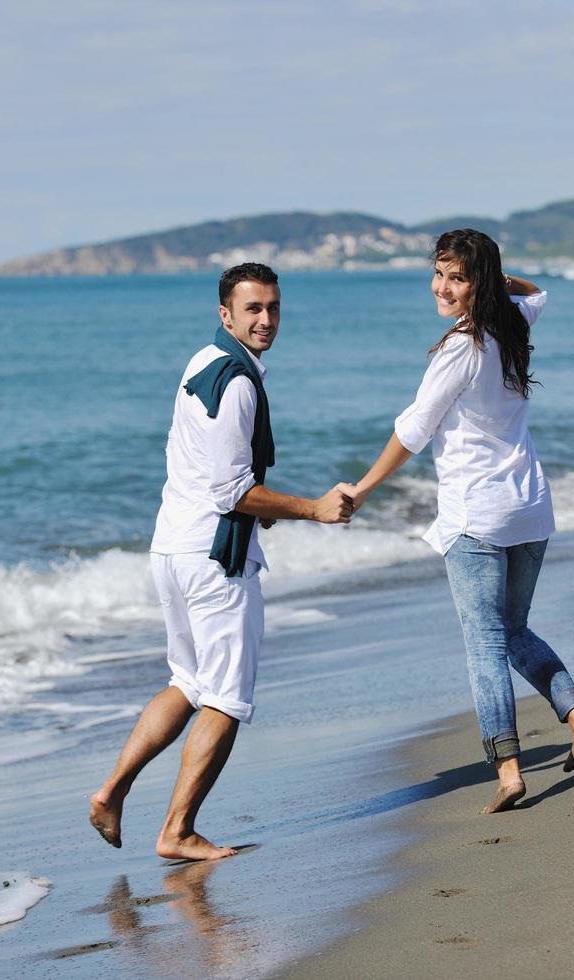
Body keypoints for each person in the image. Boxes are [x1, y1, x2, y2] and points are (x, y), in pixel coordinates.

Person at [89, 262, 354, 860]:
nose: (266, 320)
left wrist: (263, 506)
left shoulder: (200, 362)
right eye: (253, 309)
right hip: (214, 558)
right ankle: (177, 831)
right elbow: (230, 490)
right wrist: (312, 509)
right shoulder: (236, 382)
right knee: (227, 698)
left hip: (172, 549)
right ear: (225, 313)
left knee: (188, 680)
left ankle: (110, 792)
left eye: (274, 308)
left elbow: (201, 465)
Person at [345, 229, 574, 814]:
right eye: (439, 273)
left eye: (457, 278)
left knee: (485, 644)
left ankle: (509, 771)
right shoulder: (512, 322)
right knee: (511, 632)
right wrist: (492, 285)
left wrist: (360, 489)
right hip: (529, 506)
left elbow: (412, 431)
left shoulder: (461, 347)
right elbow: (539, 292)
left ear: (478, 284)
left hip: (478, 516)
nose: (441, 287)